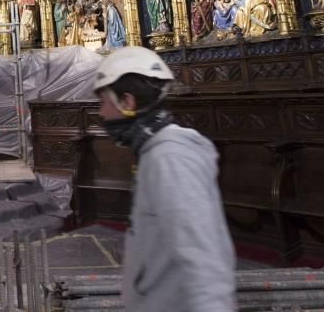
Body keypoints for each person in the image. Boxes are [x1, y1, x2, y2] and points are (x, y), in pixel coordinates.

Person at [92, 46, 235, 312]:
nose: (101, 113)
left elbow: (202, 257)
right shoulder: (154, 152)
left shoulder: (170, 158)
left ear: (127, 102)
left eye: (103, 102)